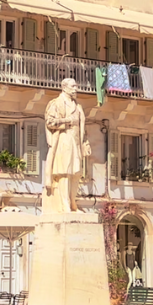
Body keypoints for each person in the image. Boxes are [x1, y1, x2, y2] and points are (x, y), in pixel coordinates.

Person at [42, 79, 91, 214]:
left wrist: (84, 142)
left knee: (76, 174)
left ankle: (72, 201)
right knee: (65, 173)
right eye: (73, 86)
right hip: (63, 139)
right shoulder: (56, 103)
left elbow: (82, 127)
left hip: (76, 141)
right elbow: (50, 122)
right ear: (64, 87)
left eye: (76, 86)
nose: (76, 89)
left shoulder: (78, 106)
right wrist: (66, 121)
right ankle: (65, 205)